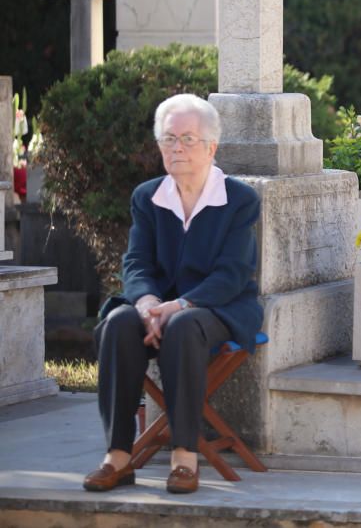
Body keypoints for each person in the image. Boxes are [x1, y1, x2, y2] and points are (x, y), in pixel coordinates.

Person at [83, 94, 263, 495]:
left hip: (219, 306)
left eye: (187, 139)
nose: (176, 148)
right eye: (168, 139)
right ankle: (118, 455)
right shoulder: (147, 197)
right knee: (118, 323)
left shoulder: (239, 200)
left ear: (211, 147)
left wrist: (179, 304)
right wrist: (147, 303)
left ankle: (185, 456)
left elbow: (232, 274)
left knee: (182, 326)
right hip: (157, 305)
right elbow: (137, 263)